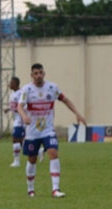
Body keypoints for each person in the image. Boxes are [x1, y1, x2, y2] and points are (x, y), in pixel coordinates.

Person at [18, 63, 87, 198]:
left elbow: (65, 100)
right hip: (32, 132)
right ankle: (30, 189)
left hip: (48, 130)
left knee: (53, 153)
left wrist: (77, 113)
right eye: (36, 73)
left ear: (44, 74)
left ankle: (55, 189)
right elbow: (19, 106)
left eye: (40, 73)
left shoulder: (52, 88)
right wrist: (24, 116)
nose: (39, 75)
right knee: (32, 159)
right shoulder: (27, 89)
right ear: (32, 75)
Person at [4, 77, 24, 167]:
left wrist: (16, 109)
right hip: (16, 119)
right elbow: (14, 105)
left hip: (21, 120)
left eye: (11, 83)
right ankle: (39, 151)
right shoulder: (13, 93)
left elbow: (23, 106)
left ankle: (16, 161)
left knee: (15, 139)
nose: (9, 84)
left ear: (16, 84)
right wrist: (8, 109)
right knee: (21, 142)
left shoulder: (21, 93)